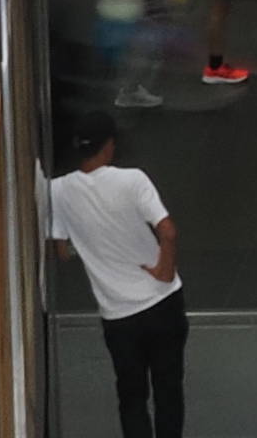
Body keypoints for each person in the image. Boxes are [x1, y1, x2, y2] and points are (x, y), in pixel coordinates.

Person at [50, 111, 188, 438]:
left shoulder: (58, 191)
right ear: (109, 146)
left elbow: (62, 252)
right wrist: (164, 271)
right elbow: (167, 231)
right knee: (168, 388)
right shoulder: (133, 180)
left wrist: (89, 246)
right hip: (161, 301)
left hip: (117, 314)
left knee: (131, 395)